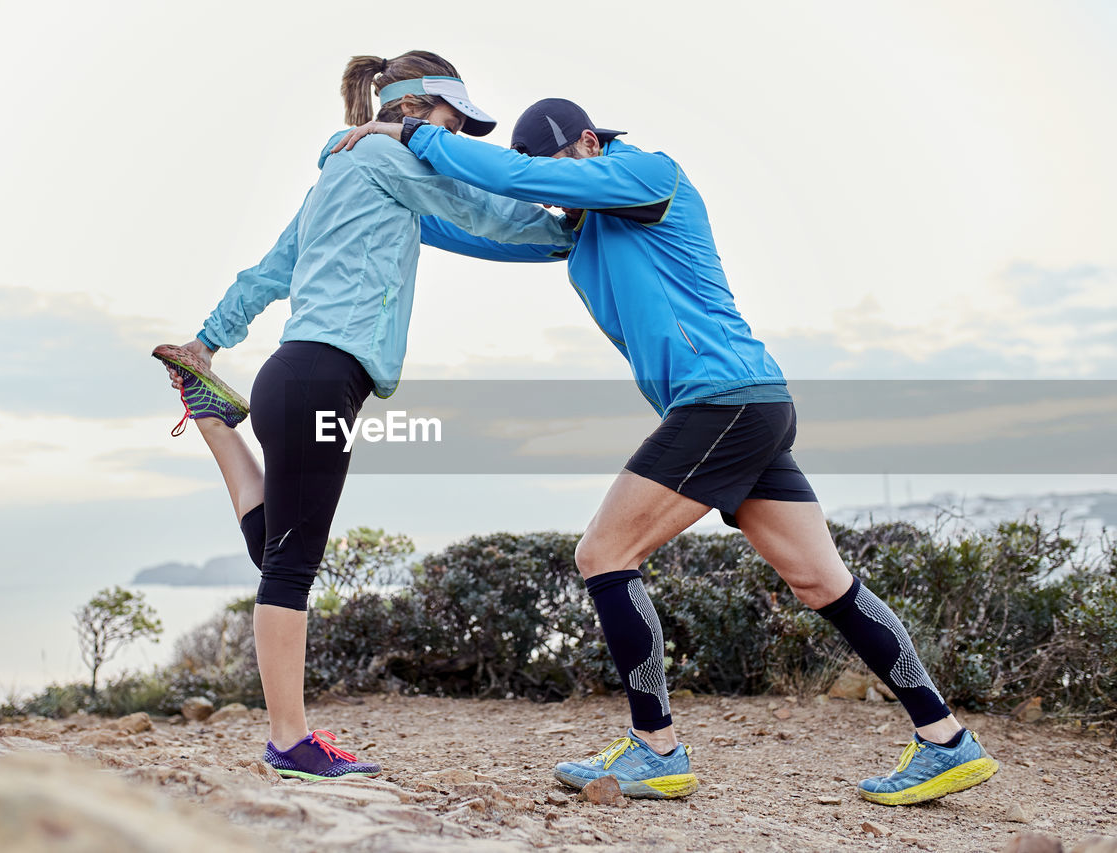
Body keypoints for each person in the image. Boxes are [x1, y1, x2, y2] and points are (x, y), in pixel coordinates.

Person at [333, 98, 999, 805]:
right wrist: (382, 187)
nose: (548, 186)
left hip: (723, 402)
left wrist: (411, 130)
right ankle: (945, 738)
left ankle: (655, 747)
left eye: (551, 167)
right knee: (821, 581)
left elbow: (508, 177)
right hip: (748, 405)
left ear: (589, 142)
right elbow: (478, 224)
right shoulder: (586, 226)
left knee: (603, 553)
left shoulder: (648, 175)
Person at [153, 53, 572, 782]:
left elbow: (267, 272)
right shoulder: (382, 152)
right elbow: (477, 207)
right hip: (319, 375)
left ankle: (216, 421)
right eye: (453, 122)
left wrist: (208, 340)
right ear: (414, 111)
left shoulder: (337, 176)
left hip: (303, 378)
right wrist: (571, 230)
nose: (458, 139)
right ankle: (289, 739)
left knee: (279, 549)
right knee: (290, 565)